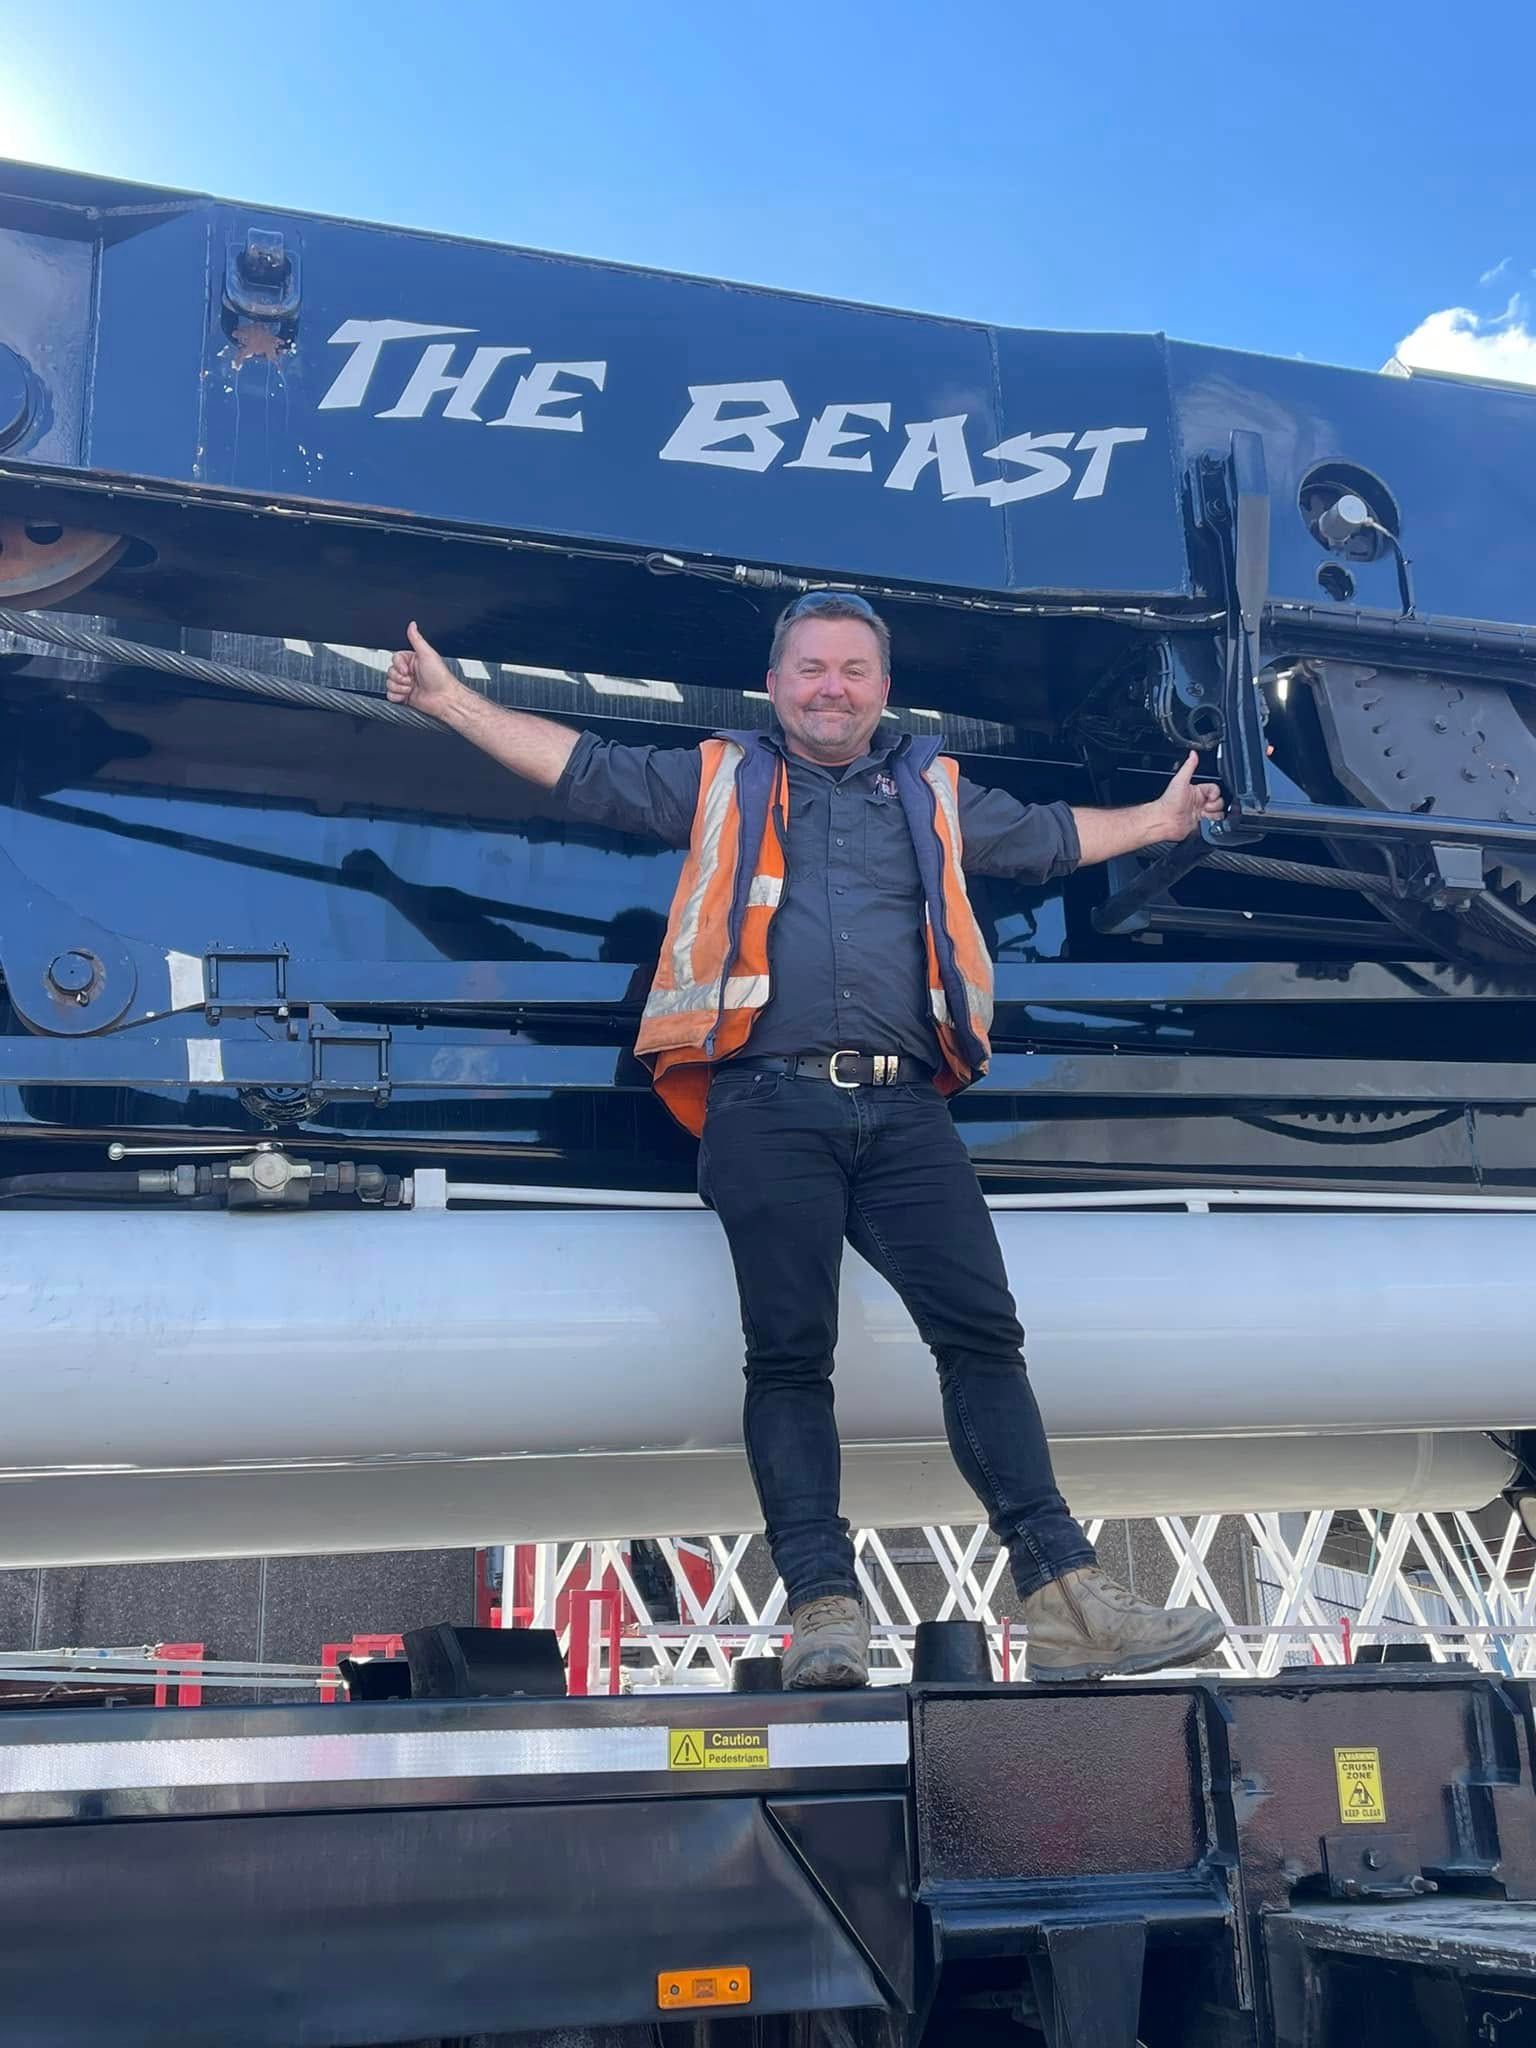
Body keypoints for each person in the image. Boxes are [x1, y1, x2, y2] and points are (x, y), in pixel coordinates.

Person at [387, 595, 1228, 1687]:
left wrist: (1158, 822)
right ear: (775, 685)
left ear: (884, 689)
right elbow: (583, 769)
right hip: (765, 1106)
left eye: (853, 670)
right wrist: (452, 702)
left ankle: (1067, 1598)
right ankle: (824, 1609)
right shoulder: (717, 776)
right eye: (813, 668)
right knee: (790, 1355)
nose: (833, 687)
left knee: (983, 1336)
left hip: (906, 1109)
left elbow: (1051, 839)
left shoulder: (933, 788)